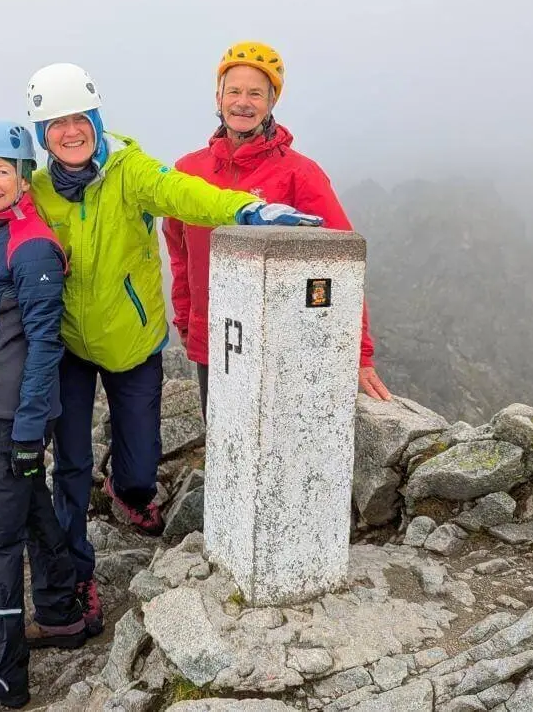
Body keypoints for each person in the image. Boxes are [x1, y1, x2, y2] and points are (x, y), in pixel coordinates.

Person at [24, 62, 322, 636]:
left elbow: (182, 193)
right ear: (43, 135)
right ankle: (72, 578)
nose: (69, 133)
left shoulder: (130, 170)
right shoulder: (38, 190)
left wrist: (243, 208)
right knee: (70, 464)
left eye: (78, 120)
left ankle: (130, 490)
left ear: (95, 120)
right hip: (67, 344)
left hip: (132, 339)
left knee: (140, 454)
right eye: (55, 124)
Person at [164, 41, 392, 416]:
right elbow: (180, 252)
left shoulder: (299, 174)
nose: (243, 102)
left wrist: (359, 352)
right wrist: (187, 319)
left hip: (284, 342)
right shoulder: (189, 172)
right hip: (215, 338)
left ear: (271, 103)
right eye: (234, 91)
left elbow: (341, 262)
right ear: (218, 97)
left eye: (256, 93)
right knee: (221, 441)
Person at [0, 121, 86, 708]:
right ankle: (61, 613)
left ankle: (2, 672)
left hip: (6, 416)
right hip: (8, 411)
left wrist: (28, 430)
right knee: (31, 511)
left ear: (24, 175)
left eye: (2, 170)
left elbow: (44, 344)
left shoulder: (28, 244)